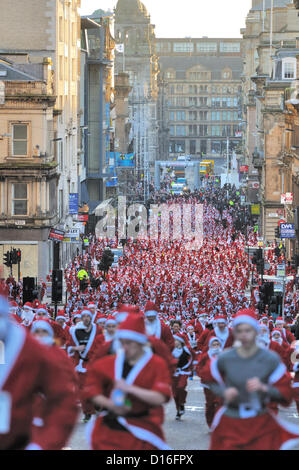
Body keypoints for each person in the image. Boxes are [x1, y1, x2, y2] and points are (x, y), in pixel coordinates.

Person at [206, 309, 299, 450]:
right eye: (239, 331)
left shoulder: (270, 359)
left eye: (248, 330)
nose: (244, 335)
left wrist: (264, 388)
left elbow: (286, 394)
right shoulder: (225, 358)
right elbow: (208, 379)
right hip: (230, 420)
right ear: (234, 333)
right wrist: (224, 391)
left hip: (260, 421)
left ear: (256, 332)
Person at [0, 291, 78, 450]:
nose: (40, 336)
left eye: (43, 332)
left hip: (27, 427)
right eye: (37, 332)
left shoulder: (36, 352)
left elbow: (64, 398)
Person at [84, 314, 172, 450]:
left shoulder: (157, 364)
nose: (124, 347)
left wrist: (130, 389)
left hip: (143, 426)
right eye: (122, 342)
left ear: (142, 343)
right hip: (110, 429)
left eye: (129, 343)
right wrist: (110, 404)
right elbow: (91, 388)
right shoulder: (109, 362)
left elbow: (160, 397)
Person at [171, 332, 193, 420]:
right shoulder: (171, 350)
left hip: (184, 372)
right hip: (174, 373)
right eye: (174, 340)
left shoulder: (187, 349)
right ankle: (178, 410)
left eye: (176, 340)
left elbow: (194, 357)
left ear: (180, 341)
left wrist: (191, 367)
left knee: (181, 387)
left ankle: (182, 403)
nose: (175, 342)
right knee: (175, 394)